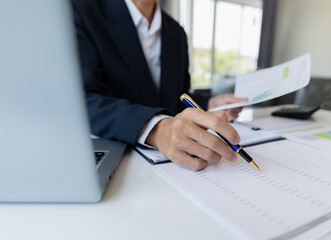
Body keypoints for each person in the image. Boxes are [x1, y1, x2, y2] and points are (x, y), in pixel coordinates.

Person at [72, 0, 246, 170]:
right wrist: (156, 129)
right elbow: (84, 100)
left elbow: (175, 98)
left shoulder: (176, 32)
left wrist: (209, 104)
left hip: (168, 168)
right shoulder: (81, 11)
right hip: (119, 159)